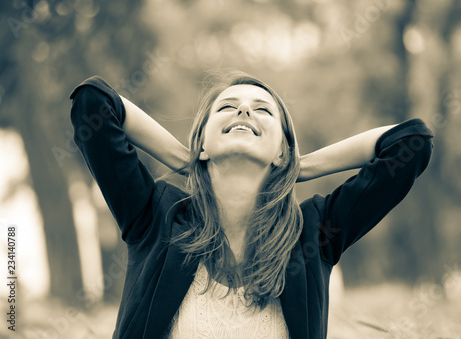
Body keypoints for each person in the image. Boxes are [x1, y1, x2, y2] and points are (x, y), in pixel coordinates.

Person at [69, 69, 433, 339]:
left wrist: (299, 166)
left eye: (262, 110)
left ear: (282, 149)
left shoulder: (315, 233)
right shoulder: (157, 216)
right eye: (227, 107)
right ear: (203, 140)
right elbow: (93, 104)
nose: (244, 111)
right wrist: (186, 158)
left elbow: (410, 143)